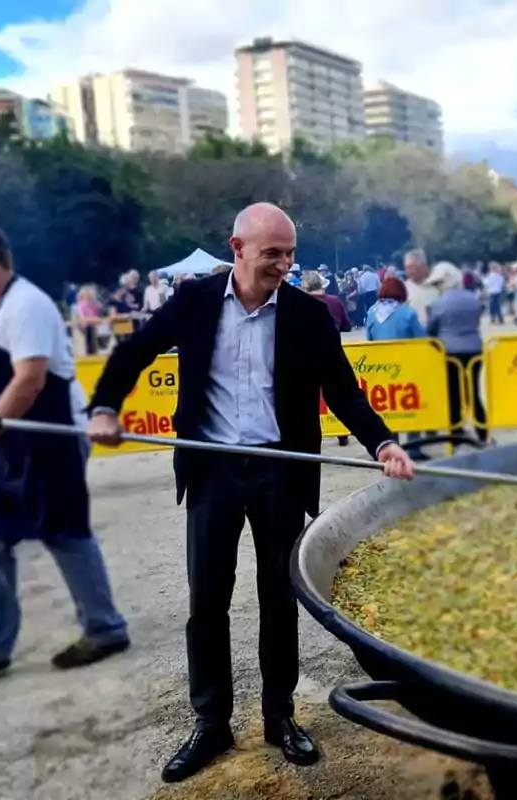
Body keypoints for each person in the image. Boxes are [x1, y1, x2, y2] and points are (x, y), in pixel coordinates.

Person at [84, 203, 416, 783]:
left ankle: (278, 715)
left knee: (278, 598)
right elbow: (133, 353)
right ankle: (211, 723)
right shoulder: (191, 303)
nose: (284, 265)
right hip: (212, 471)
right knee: (206, 601)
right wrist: (107, 406)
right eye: (272, 254)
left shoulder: (308, 316)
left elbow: (343, 390)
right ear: (236, 248)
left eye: (289, 254)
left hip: (278, 474)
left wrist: (382, 443)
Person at [0, 222, 130, 683]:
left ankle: (105, 628)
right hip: (5, 445)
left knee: (65, 534)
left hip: (50, 441)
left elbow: (29, 381)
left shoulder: (27, 306)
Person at [427, 265, 488, 443]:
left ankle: (455, 433)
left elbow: (432, 328)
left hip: (450, 352)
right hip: (474, 350)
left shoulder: (438, 303)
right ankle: (482, 431)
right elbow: (476, 320)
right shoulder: (472, 298)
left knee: (453, 393)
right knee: (473, 392)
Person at [366, 276, 426, 341]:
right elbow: (422, 338)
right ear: (402, 291)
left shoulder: (371, 313)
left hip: (379, 350)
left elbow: (369, 339)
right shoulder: (408, 313)